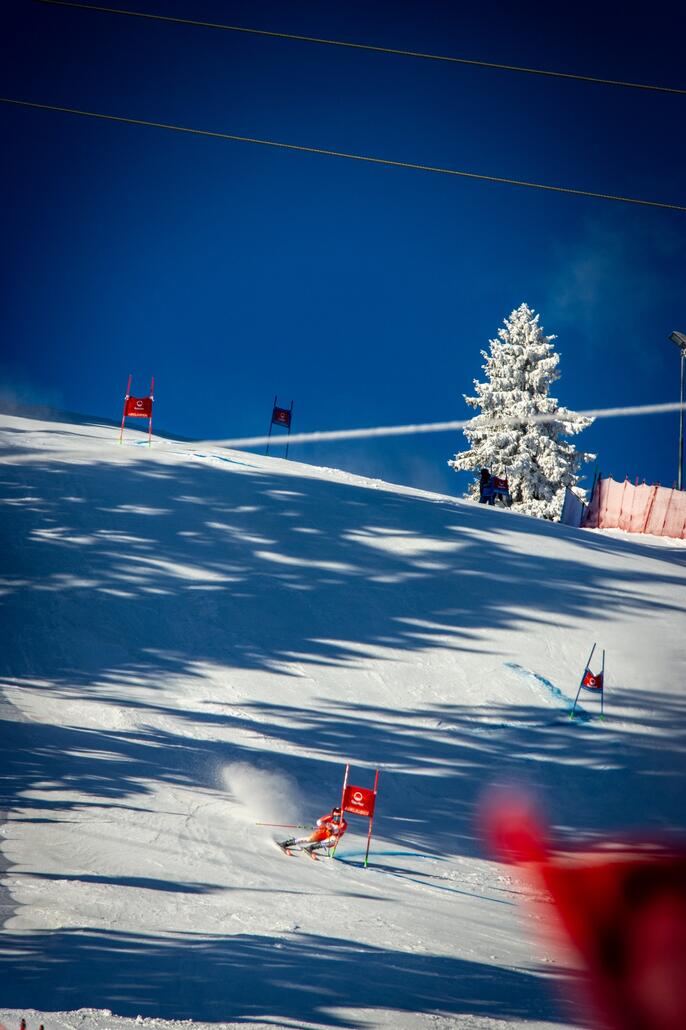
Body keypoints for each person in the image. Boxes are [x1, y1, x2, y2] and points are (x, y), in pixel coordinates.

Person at [280, 806, 348, 854]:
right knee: (309, 839)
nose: (337, 819)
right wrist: (325, 825)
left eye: (339, 817)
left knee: (334, 840)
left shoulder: (343, 823)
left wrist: (331, 828)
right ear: (333, 815)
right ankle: (287, 843)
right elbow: (319, 822)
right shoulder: (329, 817)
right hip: (323, 832)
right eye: (335, 817)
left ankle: (311, 848)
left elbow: (337, 830)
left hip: (331, 837)